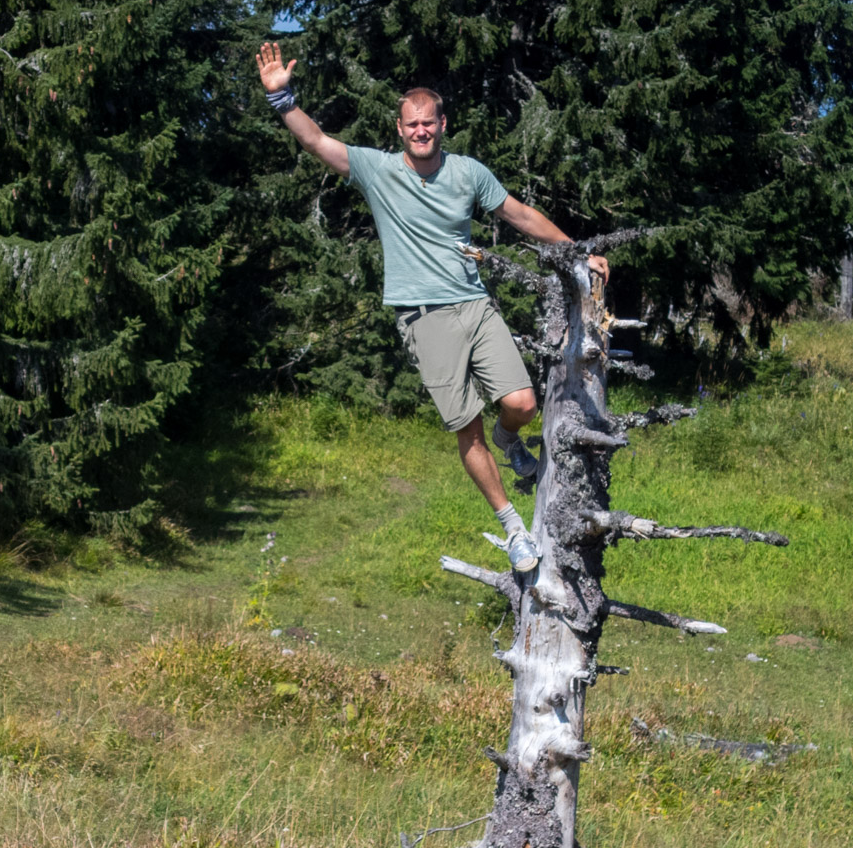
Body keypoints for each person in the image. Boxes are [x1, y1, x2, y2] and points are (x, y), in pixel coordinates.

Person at [255, 42, 607, 570]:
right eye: (411, 124)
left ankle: (510, 442)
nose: (420, 131)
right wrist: (282, 96)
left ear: (443, 124)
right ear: (400, 130)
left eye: (428, 122)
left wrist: (577, 253)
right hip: (424, 318)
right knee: (467, 429)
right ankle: (512, 527)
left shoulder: (468, 173)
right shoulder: (376, 170)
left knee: (522, 403)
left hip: (474, 303)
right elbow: (315, 140)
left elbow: (520, 215)